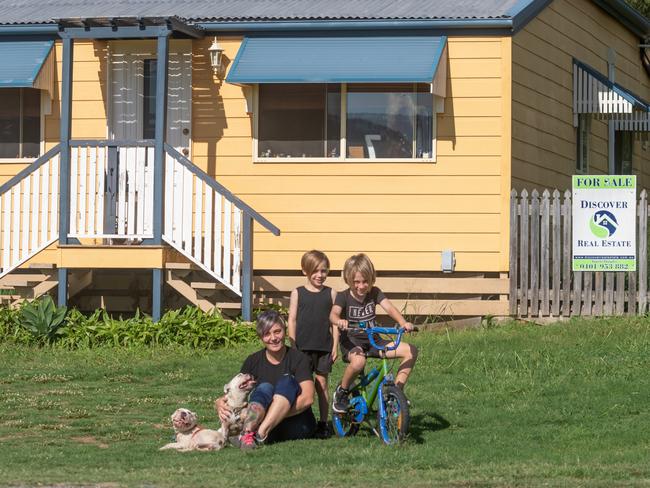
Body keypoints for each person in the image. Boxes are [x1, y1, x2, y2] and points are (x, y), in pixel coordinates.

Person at [329, 253, 418, 414]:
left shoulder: (375, 292)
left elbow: (389, 308)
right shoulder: (343, 297)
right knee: (358, 363)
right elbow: (333, 314)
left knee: (411, 351)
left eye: (365, 282)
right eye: (356, 282)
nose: (361, 286)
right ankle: (342, 392)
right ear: (349, 280)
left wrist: (403, 323)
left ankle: (396, 394)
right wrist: (339, 321)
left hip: (373, 340)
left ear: (371, 279)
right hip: (352, 341)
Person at [214, 310, 316, 449]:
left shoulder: (299, 359)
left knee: (287, 381)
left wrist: (271, 416)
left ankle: (259, 434)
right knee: (264, 387)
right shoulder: (253, 361)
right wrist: (220, 402)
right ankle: (249, 434)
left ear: (285, 332)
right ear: (261, 337)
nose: (273, 338)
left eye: (277, 331)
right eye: (267, 334)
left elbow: (308, 398)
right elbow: (237, 390)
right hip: (260, 423)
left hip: (296, 425)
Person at [288, 250, 339, 438]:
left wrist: (335, 346)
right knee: (303, 385)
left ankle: (324, 423)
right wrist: (293, 346)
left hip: (324, 348)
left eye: (324, 271)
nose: (320, 275)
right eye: (316, 271)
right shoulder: (298, 293)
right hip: (302, 348)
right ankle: (300, 421)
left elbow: (335, 323)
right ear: (305, 271)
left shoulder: (331, 293)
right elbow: (292, 320)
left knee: (322, 384)